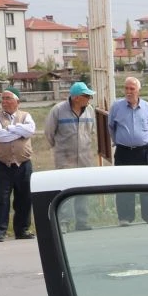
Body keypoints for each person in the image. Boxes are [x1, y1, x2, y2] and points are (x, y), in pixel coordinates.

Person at [46, 81, 99, 230]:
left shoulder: (90, 110)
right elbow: (49, 133)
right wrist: (59, 150)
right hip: (65, 159)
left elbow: (92, 131)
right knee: (65, 191)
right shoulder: (58, 110)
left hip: (85, 158)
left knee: (83, 191)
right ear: (76, 97)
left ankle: (82, 222)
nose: (89, 99)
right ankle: (64, 222)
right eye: (87, 96)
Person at [107, 75, 148, 224]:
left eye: (132, 89)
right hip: (124, 152)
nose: (129, 92)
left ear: (139, 91)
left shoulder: (147, 107)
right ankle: (125, 217)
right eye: (126, 88)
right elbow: (111, 126)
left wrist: (142, 139)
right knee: (124, 184)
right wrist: (118, 141)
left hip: (144, 151)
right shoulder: (117, 107)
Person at [0, 91, 36, 242]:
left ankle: (22, 230)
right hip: (1, 165)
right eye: (2, 99)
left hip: (23, 164)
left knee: (24, 198)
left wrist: (9, 128)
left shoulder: (26, 115)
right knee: (1, 199)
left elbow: (30, 131)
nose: (4, 102)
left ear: (17, 102)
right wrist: (19, 132)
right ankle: (0, 232)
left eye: (8, 98)